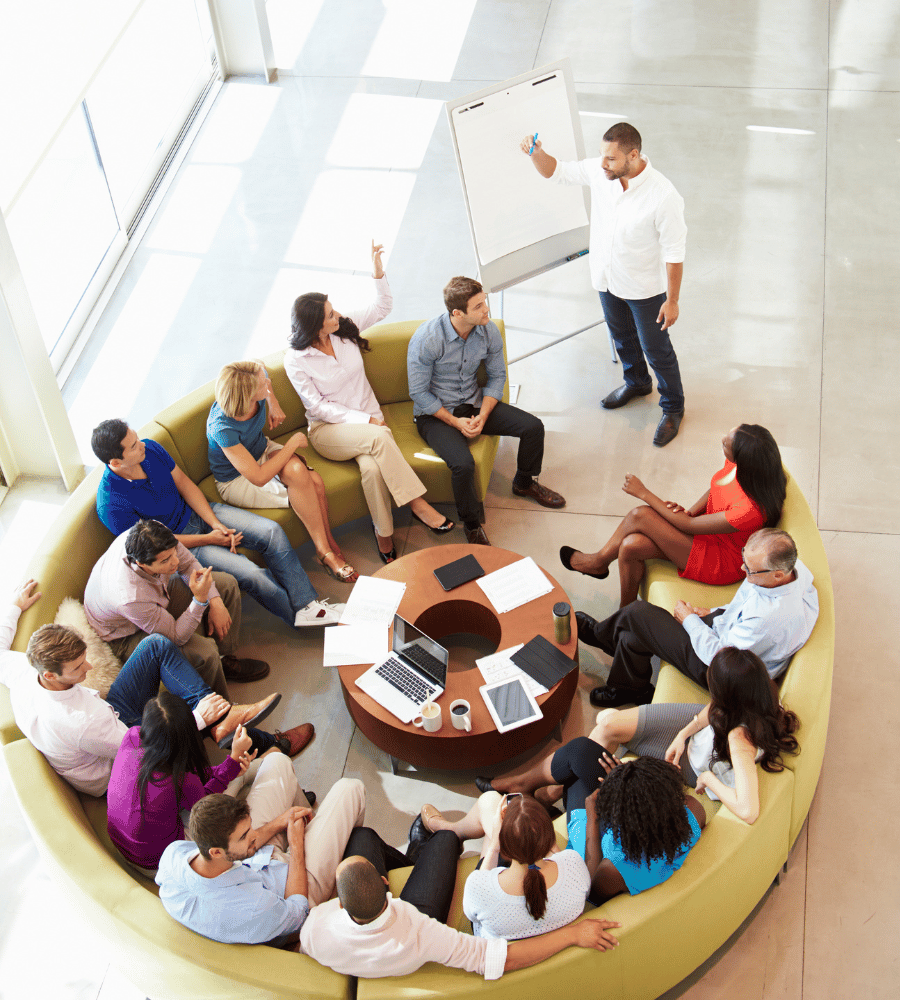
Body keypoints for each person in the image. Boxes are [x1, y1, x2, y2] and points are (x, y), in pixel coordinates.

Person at [0, 580, 296, 796]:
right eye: (78, 668)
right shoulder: (83, 722)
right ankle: (264, 742)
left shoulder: (25, 670)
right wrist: (199, 719)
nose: (88, 668)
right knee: (184, 714)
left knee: (155, 645)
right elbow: (142, 746)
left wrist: (14, 608)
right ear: (50, 675)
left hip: (111, 718)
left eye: (84, 660)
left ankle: (225, 723)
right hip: (117, 764)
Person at [285, 241, 453, 563]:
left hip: (369, 423)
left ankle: (384, 537)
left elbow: (382, 306)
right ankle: (418, 504)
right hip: (328, 430)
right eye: (330, 315)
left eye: (333, 311)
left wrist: (378, 274)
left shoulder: (343, 328)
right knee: (378, 438)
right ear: (314, 326)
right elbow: (317, 406)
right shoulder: (296, 360)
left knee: (372, 472)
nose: (337, 316)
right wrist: (366, 421)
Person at [522, 122, 687, 447]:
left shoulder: (663, 196)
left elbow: (674, 252)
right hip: (607, 279)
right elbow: (556, 172)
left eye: (610, 158)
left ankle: (673, 407)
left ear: (633, 155)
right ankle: (637, 383)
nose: (602, 164)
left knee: (657, 350)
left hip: (644, 290)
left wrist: (673, 300)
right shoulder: (603, 173)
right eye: (602, 156)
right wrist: (536, 153)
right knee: (622, 338)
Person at [91, 419, 341, 628]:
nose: (141, 444)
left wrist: (214, 523)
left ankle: (307, 605)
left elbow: (185, 485)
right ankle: (296, 617)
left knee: (271, 531)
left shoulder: (151, 450)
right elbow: (155, 547)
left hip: (200, 513)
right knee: (252, 574)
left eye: (137, 437)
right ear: (115, 463)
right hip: (180, 547)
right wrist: (210, 538)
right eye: (133, 446)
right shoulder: (111, 504)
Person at [299, 830, 620, 980]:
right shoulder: (426, 935)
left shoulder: (315, 930)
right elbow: (502, 959)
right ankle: (425, 844)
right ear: (386, 884)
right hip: (409, 919)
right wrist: (574, 935)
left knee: (362, 835)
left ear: (340, 905)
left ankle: (414, 853)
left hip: (368, 934)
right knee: (445, 840)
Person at [577, 528, 820, 708]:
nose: (743, 571)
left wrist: (689, 620)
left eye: (750, 570)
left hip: (726, 672)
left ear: (778, 575)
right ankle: (628, 690)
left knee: (638, 613)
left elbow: (721, 656)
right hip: (729, 635)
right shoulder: (795, 570)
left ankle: (601, 637)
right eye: (745, 560)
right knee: (633, 635)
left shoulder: (769, 617)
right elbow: (747, 604)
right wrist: (717, 611)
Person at [407, 276, 566, 546]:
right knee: (463, 464)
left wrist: (483, 414)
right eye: (479, 306)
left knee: (533, 427)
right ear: (458, 313)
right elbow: (419, 394)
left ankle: (524, 482)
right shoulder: (428, 338)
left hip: (474, 402)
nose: (486, 310)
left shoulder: (487, 330)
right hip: (435, 414)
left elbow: (496, 377)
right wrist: (457, 424)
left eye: (485, 302)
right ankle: (470, 524)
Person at [560, 424, 786, 608]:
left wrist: (644, 492)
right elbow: (716, 489)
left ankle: (598, 562)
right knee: (630, 546)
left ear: (741, 459)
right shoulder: (742, 468)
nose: (722, 440)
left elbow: (688, 526)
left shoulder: (750, 510)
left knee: (641, 515)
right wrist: (692, 510)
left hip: (720, 559)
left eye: (727, 442)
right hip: (709, 533)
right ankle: (624, 616)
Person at [590, 646, 800, 825]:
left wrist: (707, 778)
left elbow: (749, 811)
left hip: (695, 763)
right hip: (700, 732)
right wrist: (682, 734)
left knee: (605, 724)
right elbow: (714, 708)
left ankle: (580, 794)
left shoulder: (739, 740)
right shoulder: (760, 692)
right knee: (607, 721)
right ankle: (565, 784)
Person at [478, 740, 706, 904]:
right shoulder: (693, 812)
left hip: (589, 844)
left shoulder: (613, 870)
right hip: (623, 828)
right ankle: (529, 790)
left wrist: (593, 819)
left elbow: (588, 889)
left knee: (575, 769)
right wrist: (625, 781)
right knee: (582, 752)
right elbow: (661, 803)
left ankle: (535, 794)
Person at [156, 776, 366, 946]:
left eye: (249, 828)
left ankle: (314, 828)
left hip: (256, 861)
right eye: (244, 835)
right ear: (217, 852)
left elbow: (241, 848)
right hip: (293, 888)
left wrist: (277, 824)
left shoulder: (174, 854)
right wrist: (296, 844)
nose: (254, 835)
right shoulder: (252, 907)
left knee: (277, 762)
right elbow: (298, 912)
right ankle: (347, 860)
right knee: (351, 788)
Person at [207, 359, 357, 583]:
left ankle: (327, 545)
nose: (267, 381)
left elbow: (260, 365)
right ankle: (325, 550)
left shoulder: (254, 379)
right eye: (262, 385)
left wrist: (272, 400)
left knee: (310, 480)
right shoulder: (222, 428)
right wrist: (292, 444)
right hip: (238, 479)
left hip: (261, 449)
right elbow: (258, 478)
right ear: (246, 395)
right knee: (311, 486)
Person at [84, 519, 269, 698]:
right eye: (165, 561)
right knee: (205, 653)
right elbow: (176, 637)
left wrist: (215, 602)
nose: (174, 562)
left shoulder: (155, 531)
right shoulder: (129, 597)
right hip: (125, 633)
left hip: (155, 594)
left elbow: (188, 563)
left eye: (173, 553)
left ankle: (225, 661)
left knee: (226, 585)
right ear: (141, 563)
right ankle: (220, 716)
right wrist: (200, 599)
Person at [106, 691, 291, 870]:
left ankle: (273, 769)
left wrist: (231, 765)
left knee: (243, 773)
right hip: (161, 862)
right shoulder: (180, 780)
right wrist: (233, 760)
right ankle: (280, 779)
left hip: (124, 849)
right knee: (244, 777)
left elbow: (196, 777)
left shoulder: (132, 736)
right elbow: (207, 806)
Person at [418, 792, 591, 940]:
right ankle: (453, 829)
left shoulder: (478, 887)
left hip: (497, 931)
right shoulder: (574, 864)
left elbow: (471, 914)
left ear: (504, 851)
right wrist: (543, 839)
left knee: (489, 800)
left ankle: (451, 830)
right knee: (491, 803)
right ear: (549, 838)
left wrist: (494, 844)